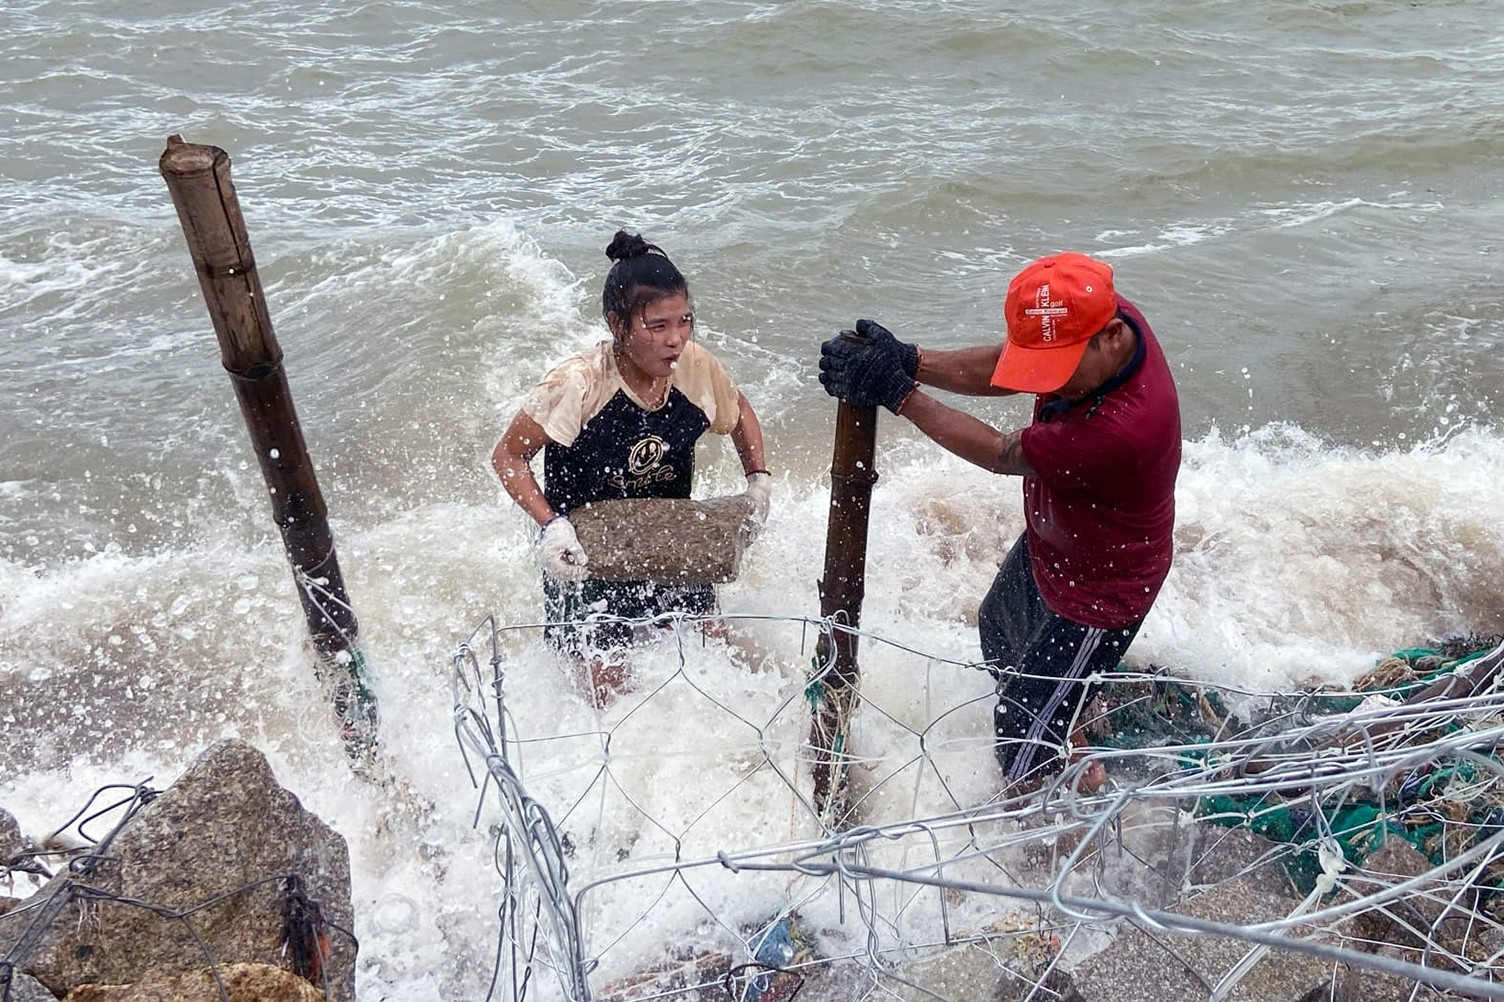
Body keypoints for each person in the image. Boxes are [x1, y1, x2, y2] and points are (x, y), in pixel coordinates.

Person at [817, 252, 1180, 793]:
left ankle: (1039, 836)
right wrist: (911, 359)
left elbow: (1002, 452)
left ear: (1110, 336)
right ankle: (1071, 723)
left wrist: (899, 394)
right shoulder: (1090, 314)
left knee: (1022, 724)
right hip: (1055, 540)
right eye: (1046, 369)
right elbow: (1009, 366)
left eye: (1062, 372)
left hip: (1100, 589)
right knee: (999, 630)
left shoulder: (1123, 429)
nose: (1050, 386)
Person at [493, 230, 770, 702]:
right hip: (585, 558)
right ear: (617, 324)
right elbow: (509, 456)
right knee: (605, 693)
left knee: (713, 662)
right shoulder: (578, 382)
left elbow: (738, 408)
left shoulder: (695, 367)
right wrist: (551, 526)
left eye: (684, 322)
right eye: (657, 326)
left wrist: (758, 481)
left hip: (670, 544)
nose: (676, 340)